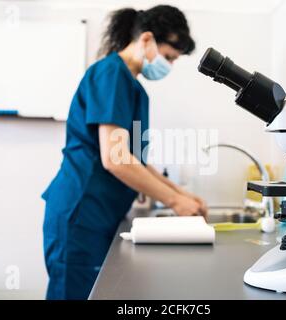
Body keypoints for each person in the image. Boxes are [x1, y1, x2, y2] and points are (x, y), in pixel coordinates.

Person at [42, 5, 207, 300]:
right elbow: (115, 159)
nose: (168, 66)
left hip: (99, 215)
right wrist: (174, 201)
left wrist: (181, 194)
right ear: (146, 39)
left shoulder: (133, 88)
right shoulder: (111, 74)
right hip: (81, 214)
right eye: (168, 57)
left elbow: (136, 161)